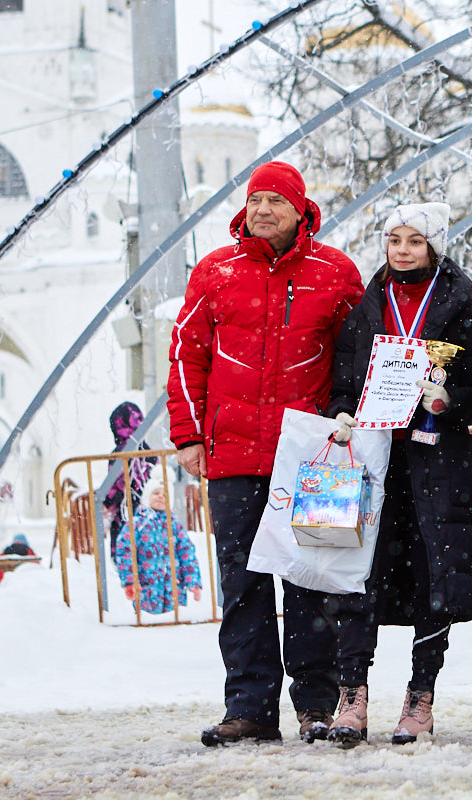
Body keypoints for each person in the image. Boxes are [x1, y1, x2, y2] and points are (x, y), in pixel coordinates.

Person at [167, 160, 364, 747]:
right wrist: (189, 437)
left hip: (312, 460)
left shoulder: (335, 273)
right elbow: (187, 356)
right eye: (255, 201)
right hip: (231, 458)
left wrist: (347, 425)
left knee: (311, 580)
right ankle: (250, 706)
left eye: (275, 201)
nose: (263, 211)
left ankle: (315, 705)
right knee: (244, 586)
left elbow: (356, 357)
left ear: (300, 209)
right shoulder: (215, 271)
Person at [322, 202, 472, 748]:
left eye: (414, 241)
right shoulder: (366, 308)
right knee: (357, 574)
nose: (402, 249)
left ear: (434, 246)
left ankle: (421, 698)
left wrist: (450, 399)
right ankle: (352, 696)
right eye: (394, 239)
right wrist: (343, 412)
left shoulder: (461, 308)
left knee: (432, 579)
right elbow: (344, 377)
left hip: (436, 461)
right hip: (374, 460)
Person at [114, 480, 203, 614]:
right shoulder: (137, 523)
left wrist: (193, 581)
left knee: (174, 626)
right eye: (156, 493)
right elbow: (125, 552)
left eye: (165, 495)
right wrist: (129, 581)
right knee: (150, 626)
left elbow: (187, 553)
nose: (161, 496)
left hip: (174, 588)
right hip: (146, 588)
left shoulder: (175, 525)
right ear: (146, 498)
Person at [102, 402, 156, 559]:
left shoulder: (119, 455)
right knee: (149, 557)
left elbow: (115, 487)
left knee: (126, 558)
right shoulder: (149, 452)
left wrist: (106, 502)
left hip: (125, 515)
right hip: (150, 515)